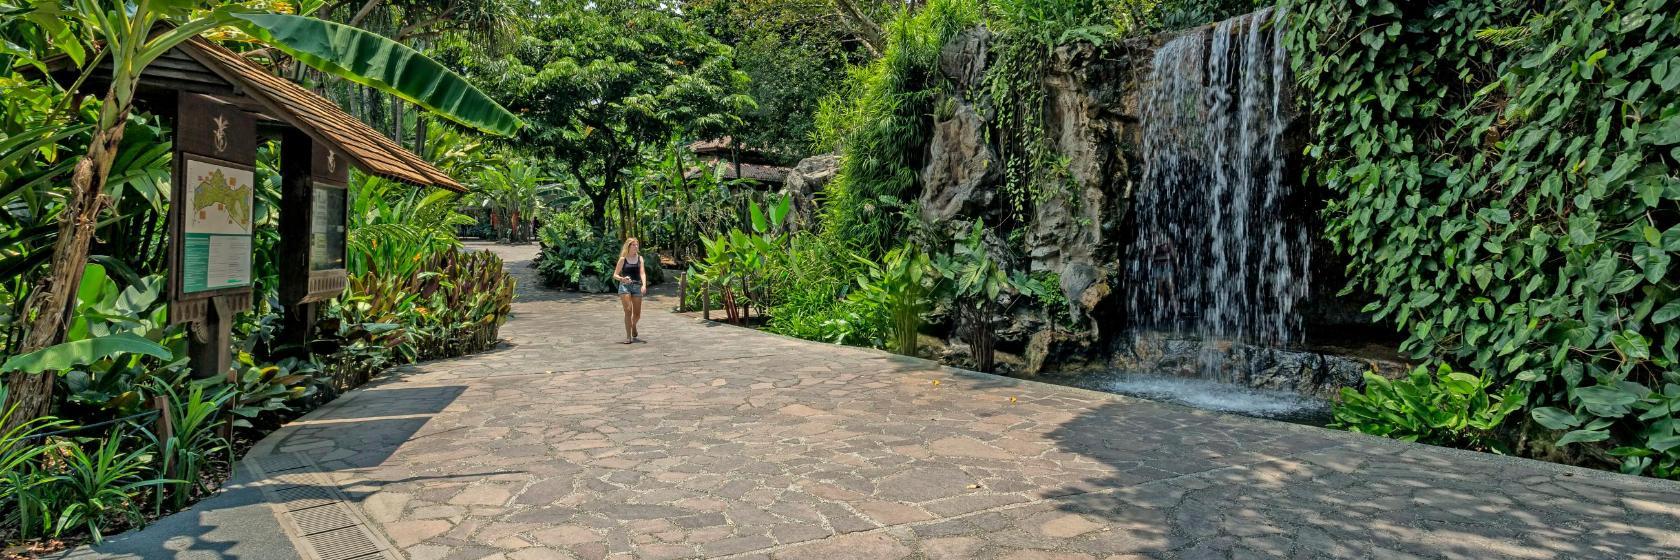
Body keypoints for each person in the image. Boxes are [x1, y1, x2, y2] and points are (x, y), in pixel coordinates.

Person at [613, 238, 647, 344]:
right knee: (628, 310)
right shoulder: (623, 259)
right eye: (633, 245)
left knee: (637, 314)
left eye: (637, 245)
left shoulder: (640, 258)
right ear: (628, 246)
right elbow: (615, 275)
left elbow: (642, 273)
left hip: (637, 286)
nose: (636, 247)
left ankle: (633, 325)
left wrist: (644, 285)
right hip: (625, 286)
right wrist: (622, 279)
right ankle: (628, 337)